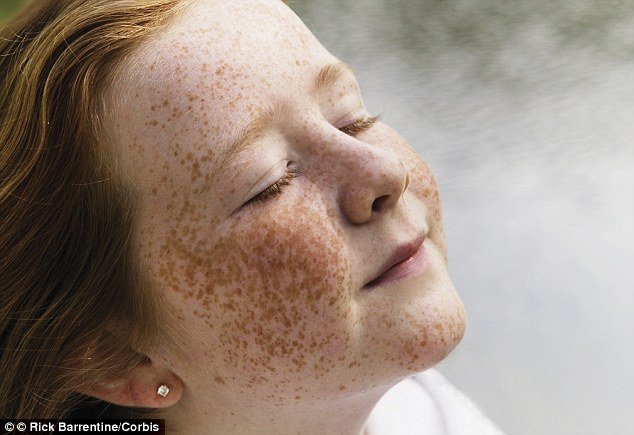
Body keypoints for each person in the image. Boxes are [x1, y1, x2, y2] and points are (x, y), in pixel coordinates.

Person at [0, 0, 505, 433]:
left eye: (352, 117)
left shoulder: (423, 410)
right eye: (270, 183)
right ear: (117, 358)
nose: (384, 171)